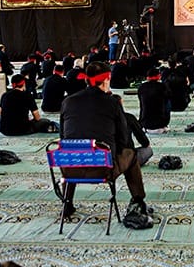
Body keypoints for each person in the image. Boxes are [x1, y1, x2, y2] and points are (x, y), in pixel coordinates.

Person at [60, 61, 150, 222]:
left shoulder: (68, 102)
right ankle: (138, 199)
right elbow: (123, 139)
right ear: (106, 80)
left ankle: (67, 203)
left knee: (75, 150)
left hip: (70, 169)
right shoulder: (112, 103)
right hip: (103, 169)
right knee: (131, 155)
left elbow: (63, 137)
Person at [138, 68, 170, 133]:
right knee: (168, 103)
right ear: (158, 76)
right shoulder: (163, 86)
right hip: (160, 124)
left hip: (145, 124)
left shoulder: (141, 87)